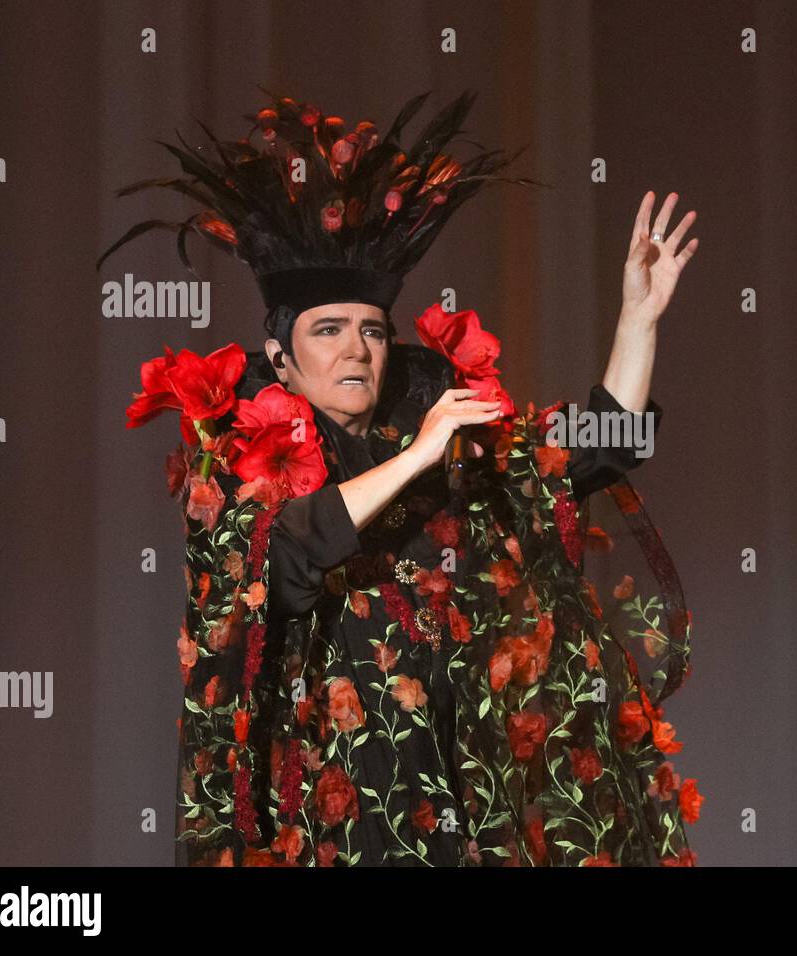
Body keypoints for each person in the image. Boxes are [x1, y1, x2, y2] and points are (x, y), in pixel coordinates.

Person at [103, 88, 703, 866]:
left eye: (372, 331)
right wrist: (418, 457)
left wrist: (637, 322)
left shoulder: (437, 430)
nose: (356, 349)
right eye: (328, 331)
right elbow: (283, 561)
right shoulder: (238, 462)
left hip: (448, 790)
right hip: (322, 806)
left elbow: (598, 446)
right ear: (281, 357)